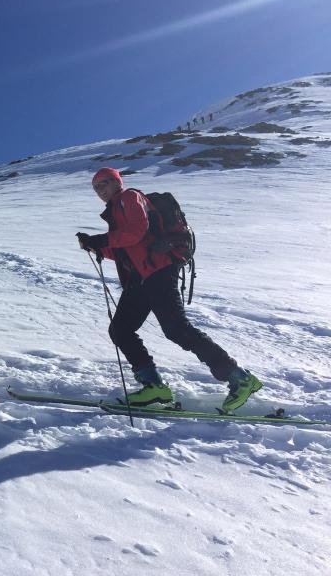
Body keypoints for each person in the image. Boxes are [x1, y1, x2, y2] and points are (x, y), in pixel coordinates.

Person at [76, 167, 262, 412]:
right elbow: (126, 249)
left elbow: (136, 231)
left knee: (176, 329)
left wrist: (101, 240)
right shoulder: (115, 211)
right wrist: (96, 247)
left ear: (117, 182)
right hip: (140, 278)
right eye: (96, 187)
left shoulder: (129, 197)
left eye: (104, 183)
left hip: (159, 270)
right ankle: (154, 386)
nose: (100, 189)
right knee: (120, 329)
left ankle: (240, 378)